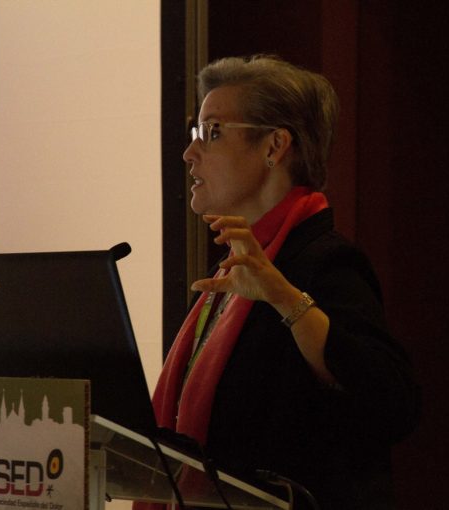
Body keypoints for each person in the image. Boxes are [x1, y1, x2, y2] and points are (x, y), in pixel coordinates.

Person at [135, 55, 420, 510]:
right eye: (195, 133)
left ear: (274, 146)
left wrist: (285, 299)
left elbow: (393, 403)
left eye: (212, 132)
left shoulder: (325, 263)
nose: (190, 153)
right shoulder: (235, 271)